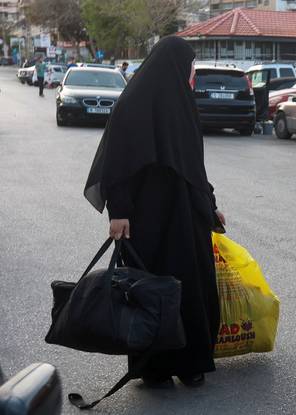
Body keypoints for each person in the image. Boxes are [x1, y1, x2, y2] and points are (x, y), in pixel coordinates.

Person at [84, 36, 224, 389]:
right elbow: (117, 163)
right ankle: (154, 366)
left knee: (192, 287)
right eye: (189, 66)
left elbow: (194, 165)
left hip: (187, 216)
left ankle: (192, 362)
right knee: (150, 289)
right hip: (147, 218)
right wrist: (119, 212)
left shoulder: (183, 103)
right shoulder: (133, 104)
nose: (191, 73)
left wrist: (211, 205)